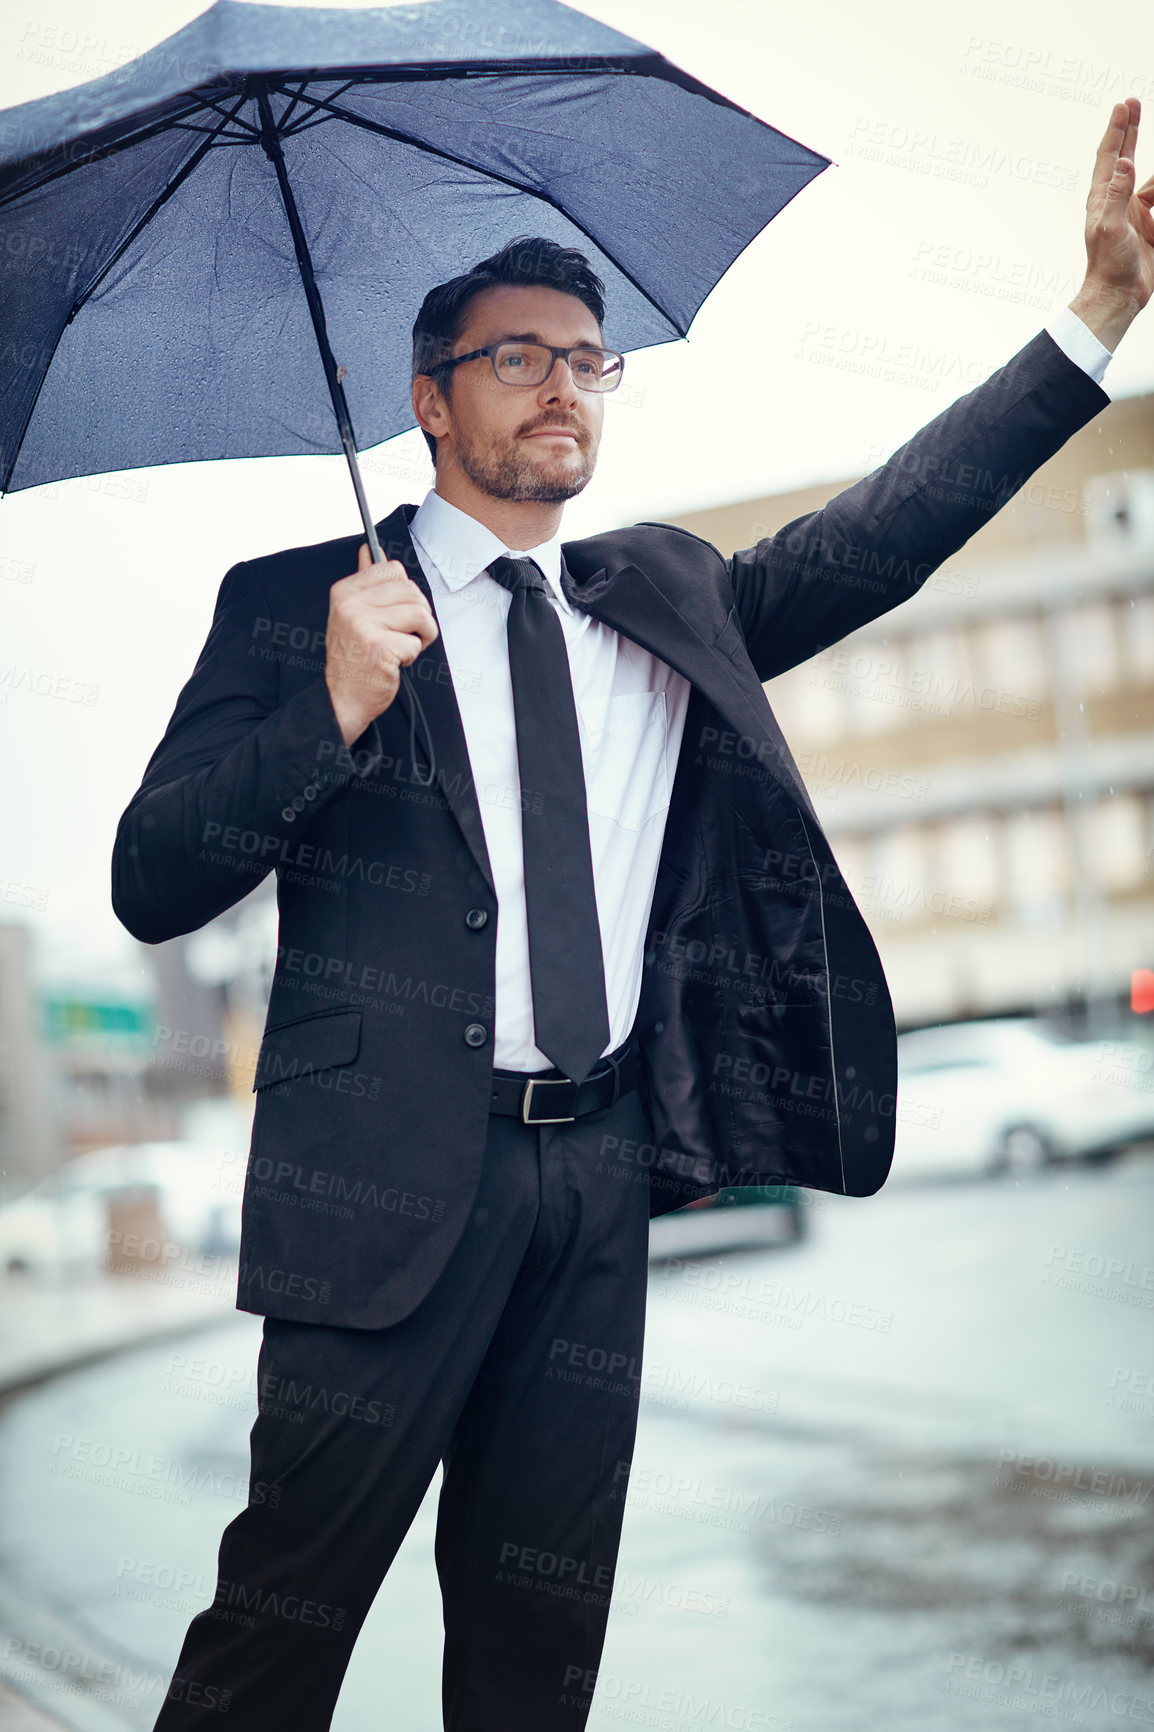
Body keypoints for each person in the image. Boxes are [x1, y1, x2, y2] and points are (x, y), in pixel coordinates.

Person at [113, 97, 1151, 1732]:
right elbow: (152, 881)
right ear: (426, 398)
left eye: (587, 359)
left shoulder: (658, 599)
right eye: (516, 356)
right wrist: (328, 701)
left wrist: (1091, 318)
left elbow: (885, 531)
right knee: (276, 1636)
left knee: (538, 1652)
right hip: (375, 1191)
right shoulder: (297, 607)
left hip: (589, 1177)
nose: (561, 387)